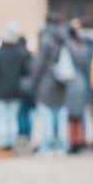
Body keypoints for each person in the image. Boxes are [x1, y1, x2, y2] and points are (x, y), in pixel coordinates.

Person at [0, 24, 31, 156]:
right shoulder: (22, 54)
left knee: (1, 119)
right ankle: (10, 146)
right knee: (12, 119)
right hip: (15, 91)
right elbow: (27, 72)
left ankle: (3, 146)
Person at [33, 16, 71, 155]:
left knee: (47, 116)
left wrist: (34, 82)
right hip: (63, 82)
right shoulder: (66, 39)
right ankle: (62, 145)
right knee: (61, 116)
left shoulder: (46, 40)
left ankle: (47, 146)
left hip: (47, 82)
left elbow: (39, 65)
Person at [65, 20, 93, 154]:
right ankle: (77, 140)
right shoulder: (82, 45)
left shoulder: (69, 45)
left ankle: (75, 141)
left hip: (72, 82)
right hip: (78, 82)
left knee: (73, 115)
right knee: (77, 114)